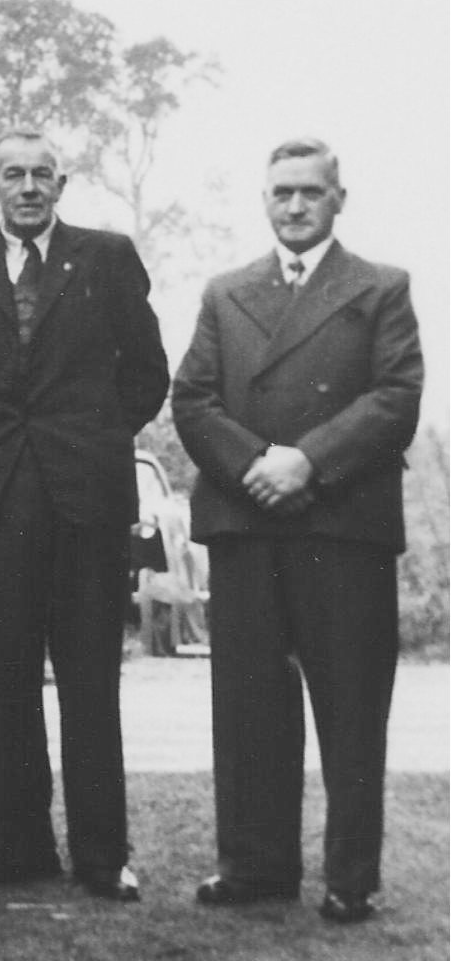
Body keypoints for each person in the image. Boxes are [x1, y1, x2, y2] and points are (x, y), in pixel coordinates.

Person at [172, 139, 421, 925]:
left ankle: (351, 878)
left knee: (349, 709)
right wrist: (256, 464)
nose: (294, 205)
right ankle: (254, 866)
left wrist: (306, 463)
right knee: (248, 706)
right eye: (281, 192)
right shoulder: (224, 292)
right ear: (263, 199)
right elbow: (192, 400)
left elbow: (394, 398)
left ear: (338, 198)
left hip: (339, 526)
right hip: (245, 523)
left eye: (311, 192)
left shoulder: (380, 288)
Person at [0, 129, 167, 901]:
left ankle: (103, 856)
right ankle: (21, 850)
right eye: (12, 175)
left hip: (86, 504)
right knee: (7, 682)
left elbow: (146, 375)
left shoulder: (104, 256)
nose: (27, 187)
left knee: (90, 681)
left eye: (40, 175)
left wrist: (92, 438)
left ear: (60, 184)